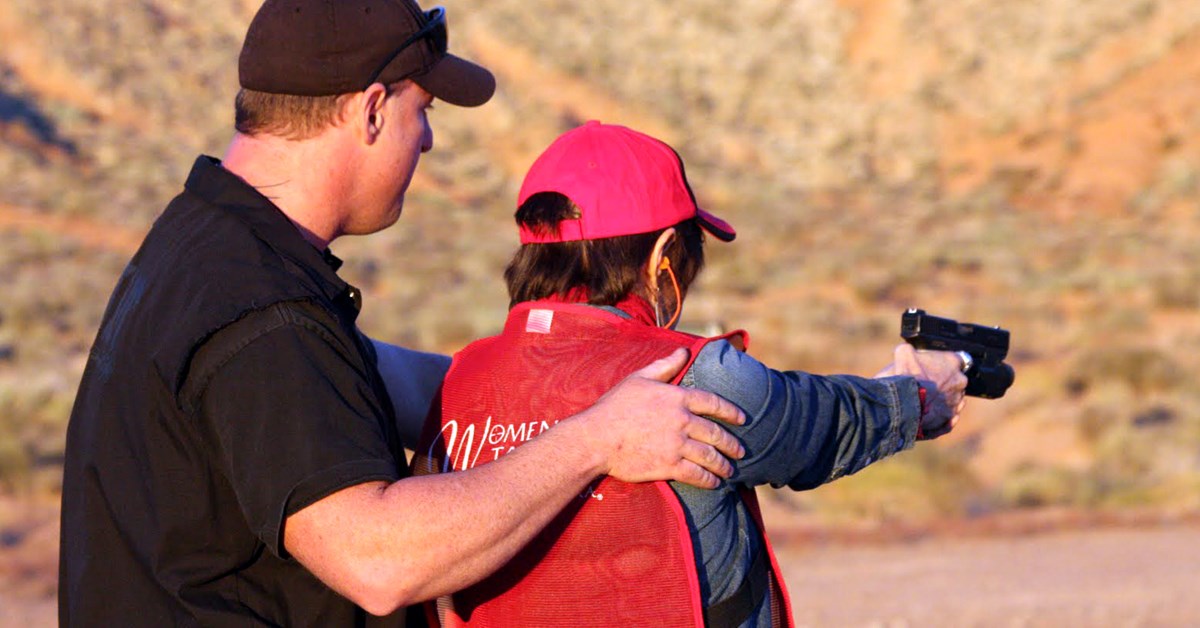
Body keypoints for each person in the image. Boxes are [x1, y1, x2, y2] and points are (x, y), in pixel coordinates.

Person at [57, 3, 749, 626]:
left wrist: (547, 386)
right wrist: (595, 440)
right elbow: (378, 561)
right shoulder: (263, 312)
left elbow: (363, 379)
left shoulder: (203, 245)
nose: (427, 143)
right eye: (425, 112)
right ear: (371, 110)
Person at [411, 121, 968, 627]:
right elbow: (817, 423)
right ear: (662, 256)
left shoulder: (459, 380)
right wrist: (917, 397)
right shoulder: (689, 376)